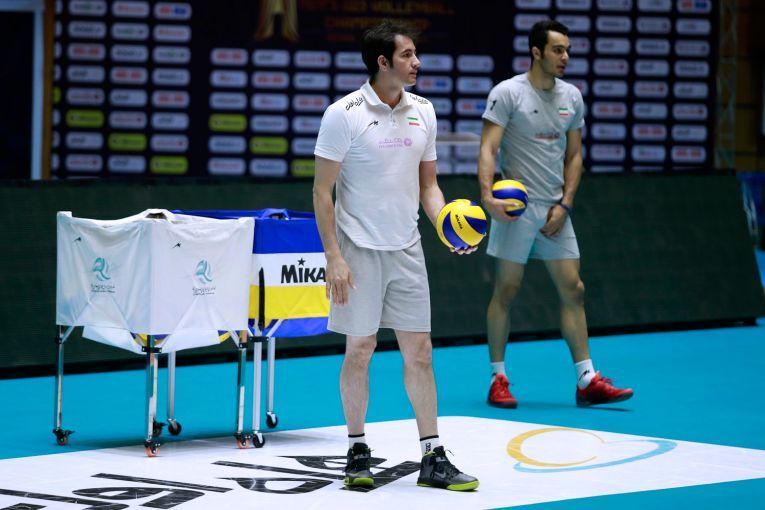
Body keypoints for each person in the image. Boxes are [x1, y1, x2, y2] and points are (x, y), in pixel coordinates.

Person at [312, 19, 479, 491]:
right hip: (357, 251)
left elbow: (429, 186)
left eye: (415, 54)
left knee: (420, 352)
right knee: (360, 349)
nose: (416, 62)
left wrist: (447, 226)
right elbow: (322, 192)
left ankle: (433, 456)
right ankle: (356, 450)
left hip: (407, 248)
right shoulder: (342, 114)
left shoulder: (424, 110)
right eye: (407, 55)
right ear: (383, 62)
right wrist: (334, 256)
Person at [478, 20, 634, 409]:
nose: (565, 57)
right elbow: (488, 148)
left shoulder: (572, 97)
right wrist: (487, 196)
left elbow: (575, 154)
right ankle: (498, 378)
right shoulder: (507, 93)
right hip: (516, 209)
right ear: (537, 52)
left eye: (567, 50)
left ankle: (587, 380)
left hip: (555, 210)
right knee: (506, 291)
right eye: (557, 50)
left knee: (574, 289)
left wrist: (565, 204)